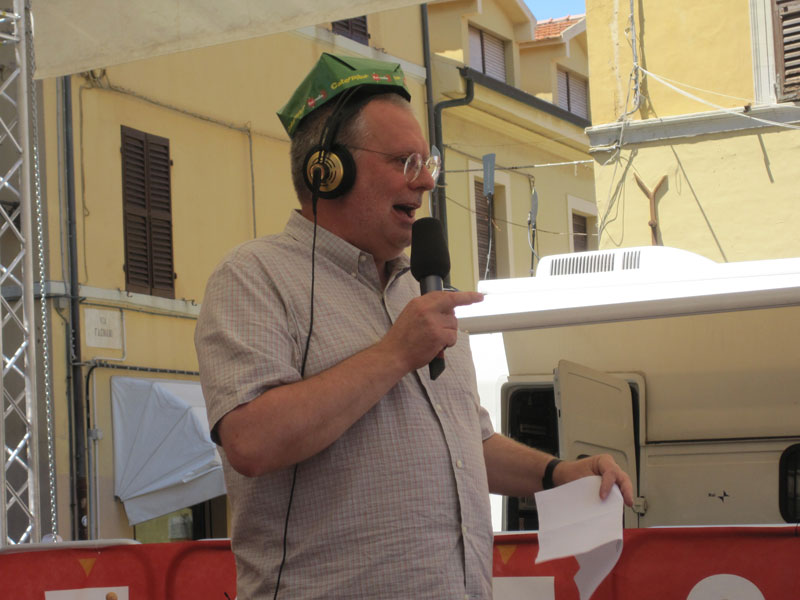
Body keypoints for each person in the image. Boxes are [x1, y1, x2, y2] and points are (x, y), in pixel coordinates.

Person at [195, 53, 633, 599]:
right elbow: (250, 442)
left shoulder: (420, 293)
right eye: (404, 162)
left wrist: (556, 474)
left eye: (428, 164)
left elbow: (468, 443)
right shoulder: (253, 276)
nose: (425, 181)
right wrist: (394, 354)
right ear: (327, 171)